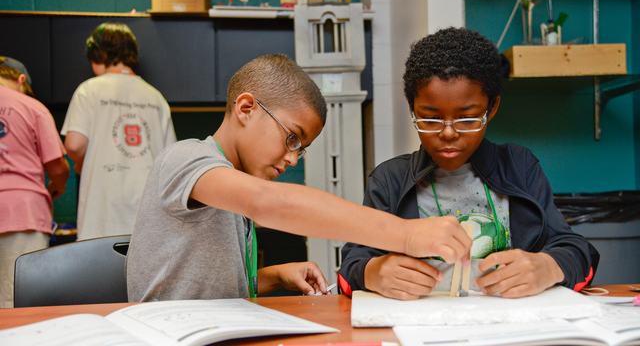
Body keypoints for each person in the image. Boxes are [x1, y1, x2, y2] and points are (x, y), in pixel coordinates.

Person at [127, 54, 473, 302]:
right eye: (292, 138)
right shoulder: (186, 158)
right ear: (246, 108)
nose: (293, 157)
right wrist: (407, 234)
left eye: (301, 148)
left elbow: (202, 289)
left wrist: (270, 278)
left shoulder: (230, 184)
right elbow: (268, 202)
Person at [338, 27, 599, 300]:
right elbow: (351, 264)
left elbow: (576, 250)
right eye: (430, 119)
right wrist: (373, 271)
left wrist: (548, 267)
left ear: (492, 108)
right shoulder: (391, 179)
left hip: (511, 325)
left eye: (466, 119)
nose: (448, 133)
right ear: (412, 107)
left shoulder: (519, 167)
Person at [61, 22, 176, 240]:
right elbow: (168, 160)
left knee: (100, 272)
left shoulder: (89, 90)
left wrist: (79, 162)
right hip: (148, 216)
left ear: (98, 55)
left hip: (102, 213)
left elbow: (74, 144)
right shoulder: (156, 97)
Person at [0, 56, 69, 308]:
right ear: (21, 80)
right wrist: (55, 188)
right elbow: (58, 167)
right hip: (23, 211)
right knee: (16, 298)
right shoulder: (32, 107)